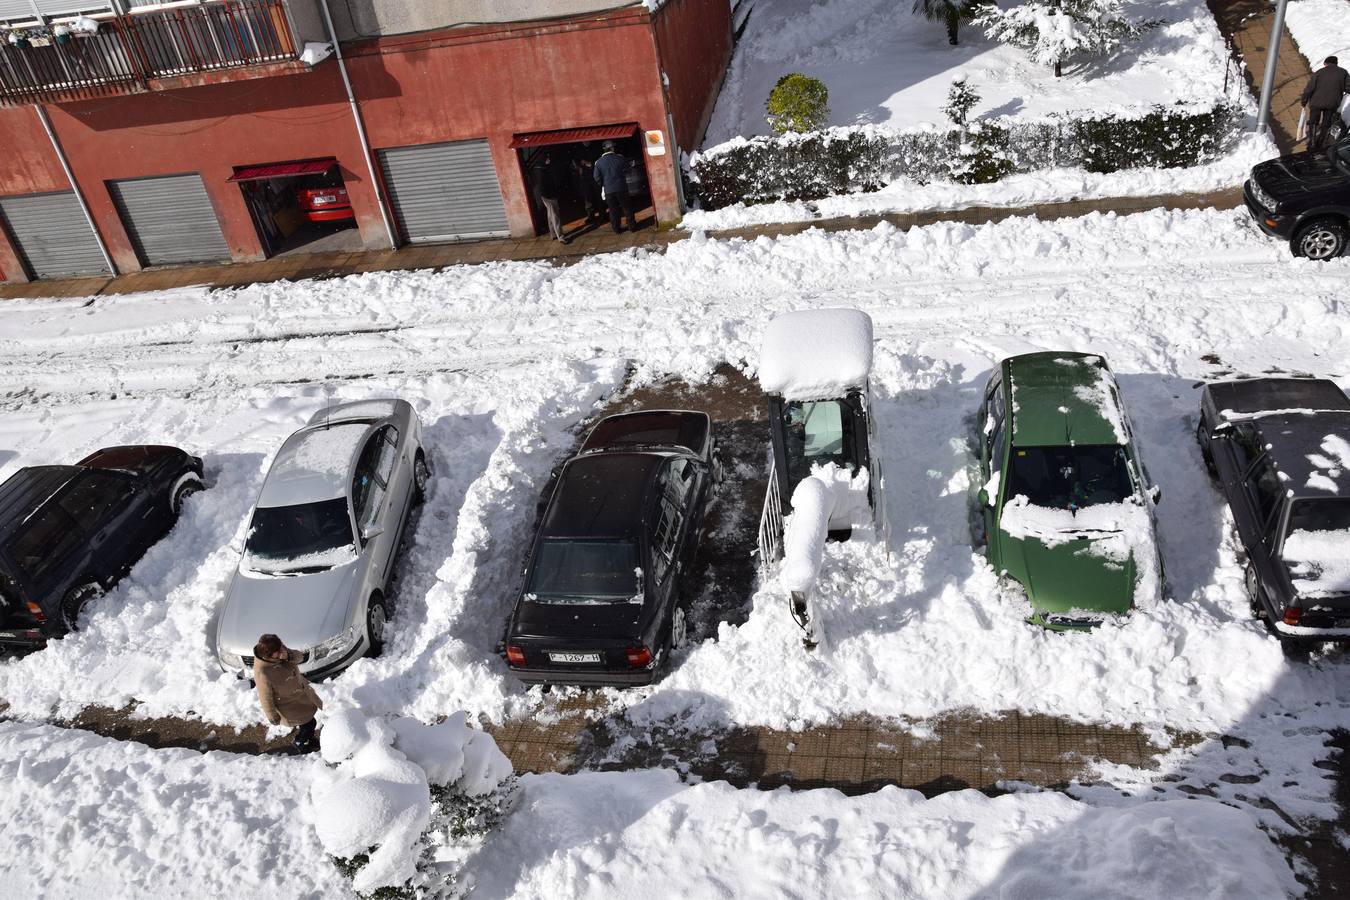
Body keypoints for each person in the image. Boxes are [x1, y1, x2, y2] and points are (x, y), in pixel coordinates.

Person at [253, 633, 323, 753]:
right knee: (309, 723)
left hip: (302, 696)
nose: (282, 650)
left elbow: (300, 657)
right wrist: (272, 716)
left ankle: (308, 739)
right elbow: (265, 697)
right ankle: (300, 742)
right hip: (289, 705)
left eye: (282, 647)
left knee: (308, 722)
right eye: (278, 650)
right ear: (269, 655)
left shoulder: (279, 650)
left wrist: (289, 656)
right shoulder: (262, 672)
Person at [1301, 56, 1350, 151]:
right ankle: (1321, 143)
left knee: (1313, 121)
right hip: (1332, 103)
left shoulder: (1319, 72)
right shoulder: (1343, 73)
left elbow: (1309, 89)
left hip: (1316, 102)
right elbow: (1348, 88)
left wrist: (1304, 101)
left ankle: (1311, 143)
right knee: (1326, 123)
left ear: (1326, 63)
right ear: (1336, 63)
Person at [593, 140, 636, 234]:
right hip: (621, 188)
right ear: (612, 148)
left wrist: (603, 184)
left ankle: (616, 229)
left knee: (613, 210)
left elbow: (596, 177)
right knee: (627, 208)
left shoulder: (598, 162)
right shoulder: (620, 158)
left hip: (609, 190)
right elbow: (628, 170)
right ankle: (632, 226)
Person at [529, 153, 569, 244]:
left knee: (550, 215)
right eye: (547, 158)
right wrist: (551, 195)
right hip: (549, 196)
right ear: (544, 159)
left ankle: (553, 234)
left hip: (546, 196)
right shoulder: (541, 171)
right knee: (555, 216)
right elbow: (543, 186)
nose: (549, 160)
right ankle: (561, 236)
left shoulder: (539, 168)